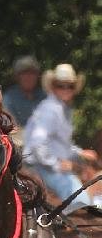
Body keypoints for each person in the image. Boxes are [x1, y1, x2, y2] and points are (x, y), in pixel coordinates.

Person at [23, 63, 97, 212]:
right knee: (81, 202)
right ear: (53, 86)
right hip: (42, 167)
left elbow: (61, 144)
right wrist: (57, 163)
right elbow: (38, 144)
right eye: (60, 85)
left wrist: (80, 153)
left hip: (47, 165)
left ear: (74, 87)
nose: (65, 89)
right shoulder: (50, 110)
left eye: (69, 85)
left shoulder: (60, 108)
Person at [2, 55, 46, 129]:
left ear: (37, 76)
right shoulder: (9, 98)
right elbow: (11, 127)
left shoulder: (44, 96)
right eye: (24, 73)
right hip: (18, 138)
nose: (28, 77)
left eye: (32, 73)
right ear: (17, 77)